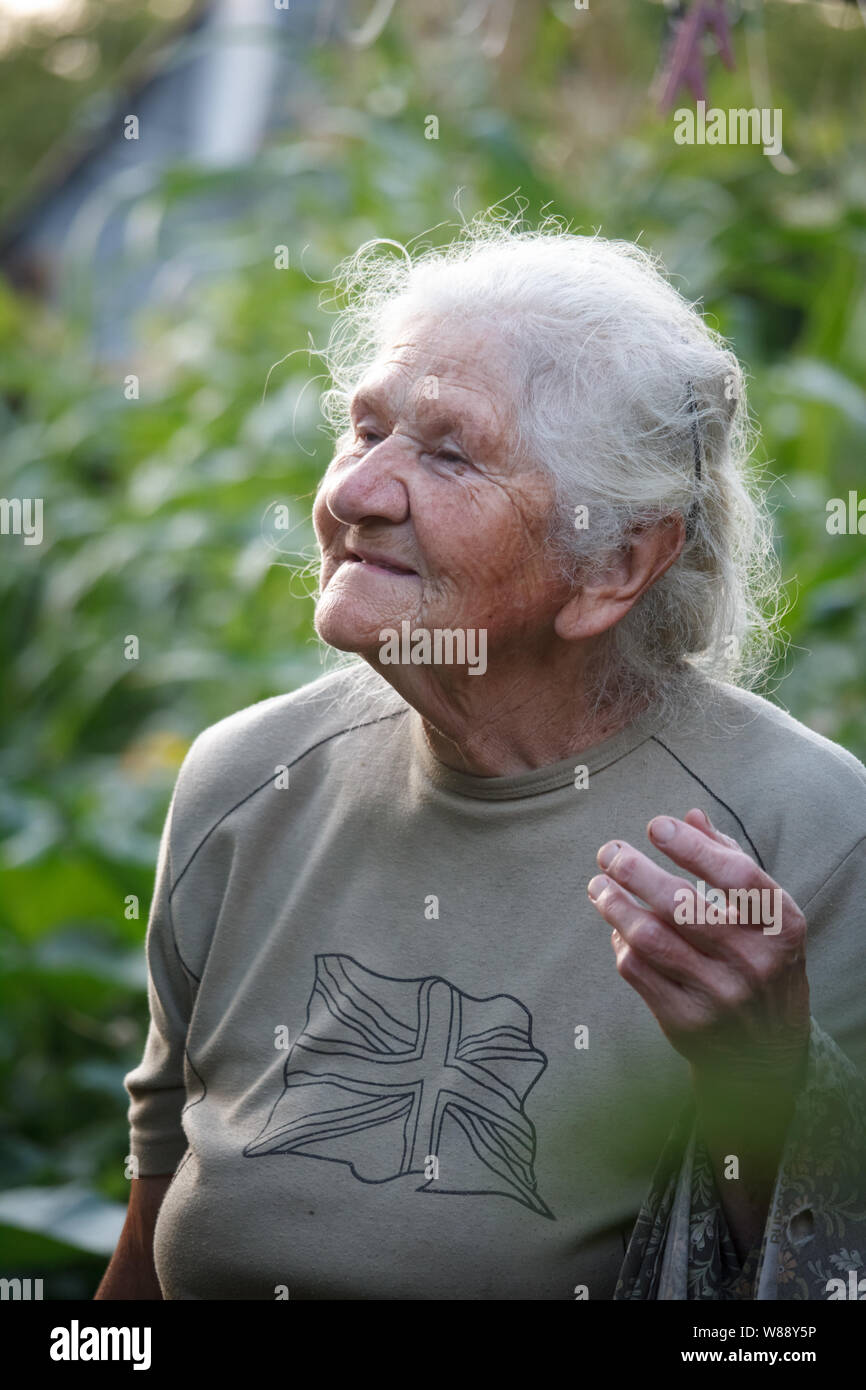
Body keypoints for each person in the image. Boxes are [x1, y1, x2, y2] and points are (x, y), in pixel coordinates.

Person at [96, 219, 866, 1301]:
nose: (356, 494)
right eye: (364, 432)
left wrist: (763, 1081)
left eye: (448, 452)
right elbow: (140, 1264)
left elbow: (812, 1290)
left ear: (615, 561)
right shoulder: (246, 783)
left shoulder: (807, 836)